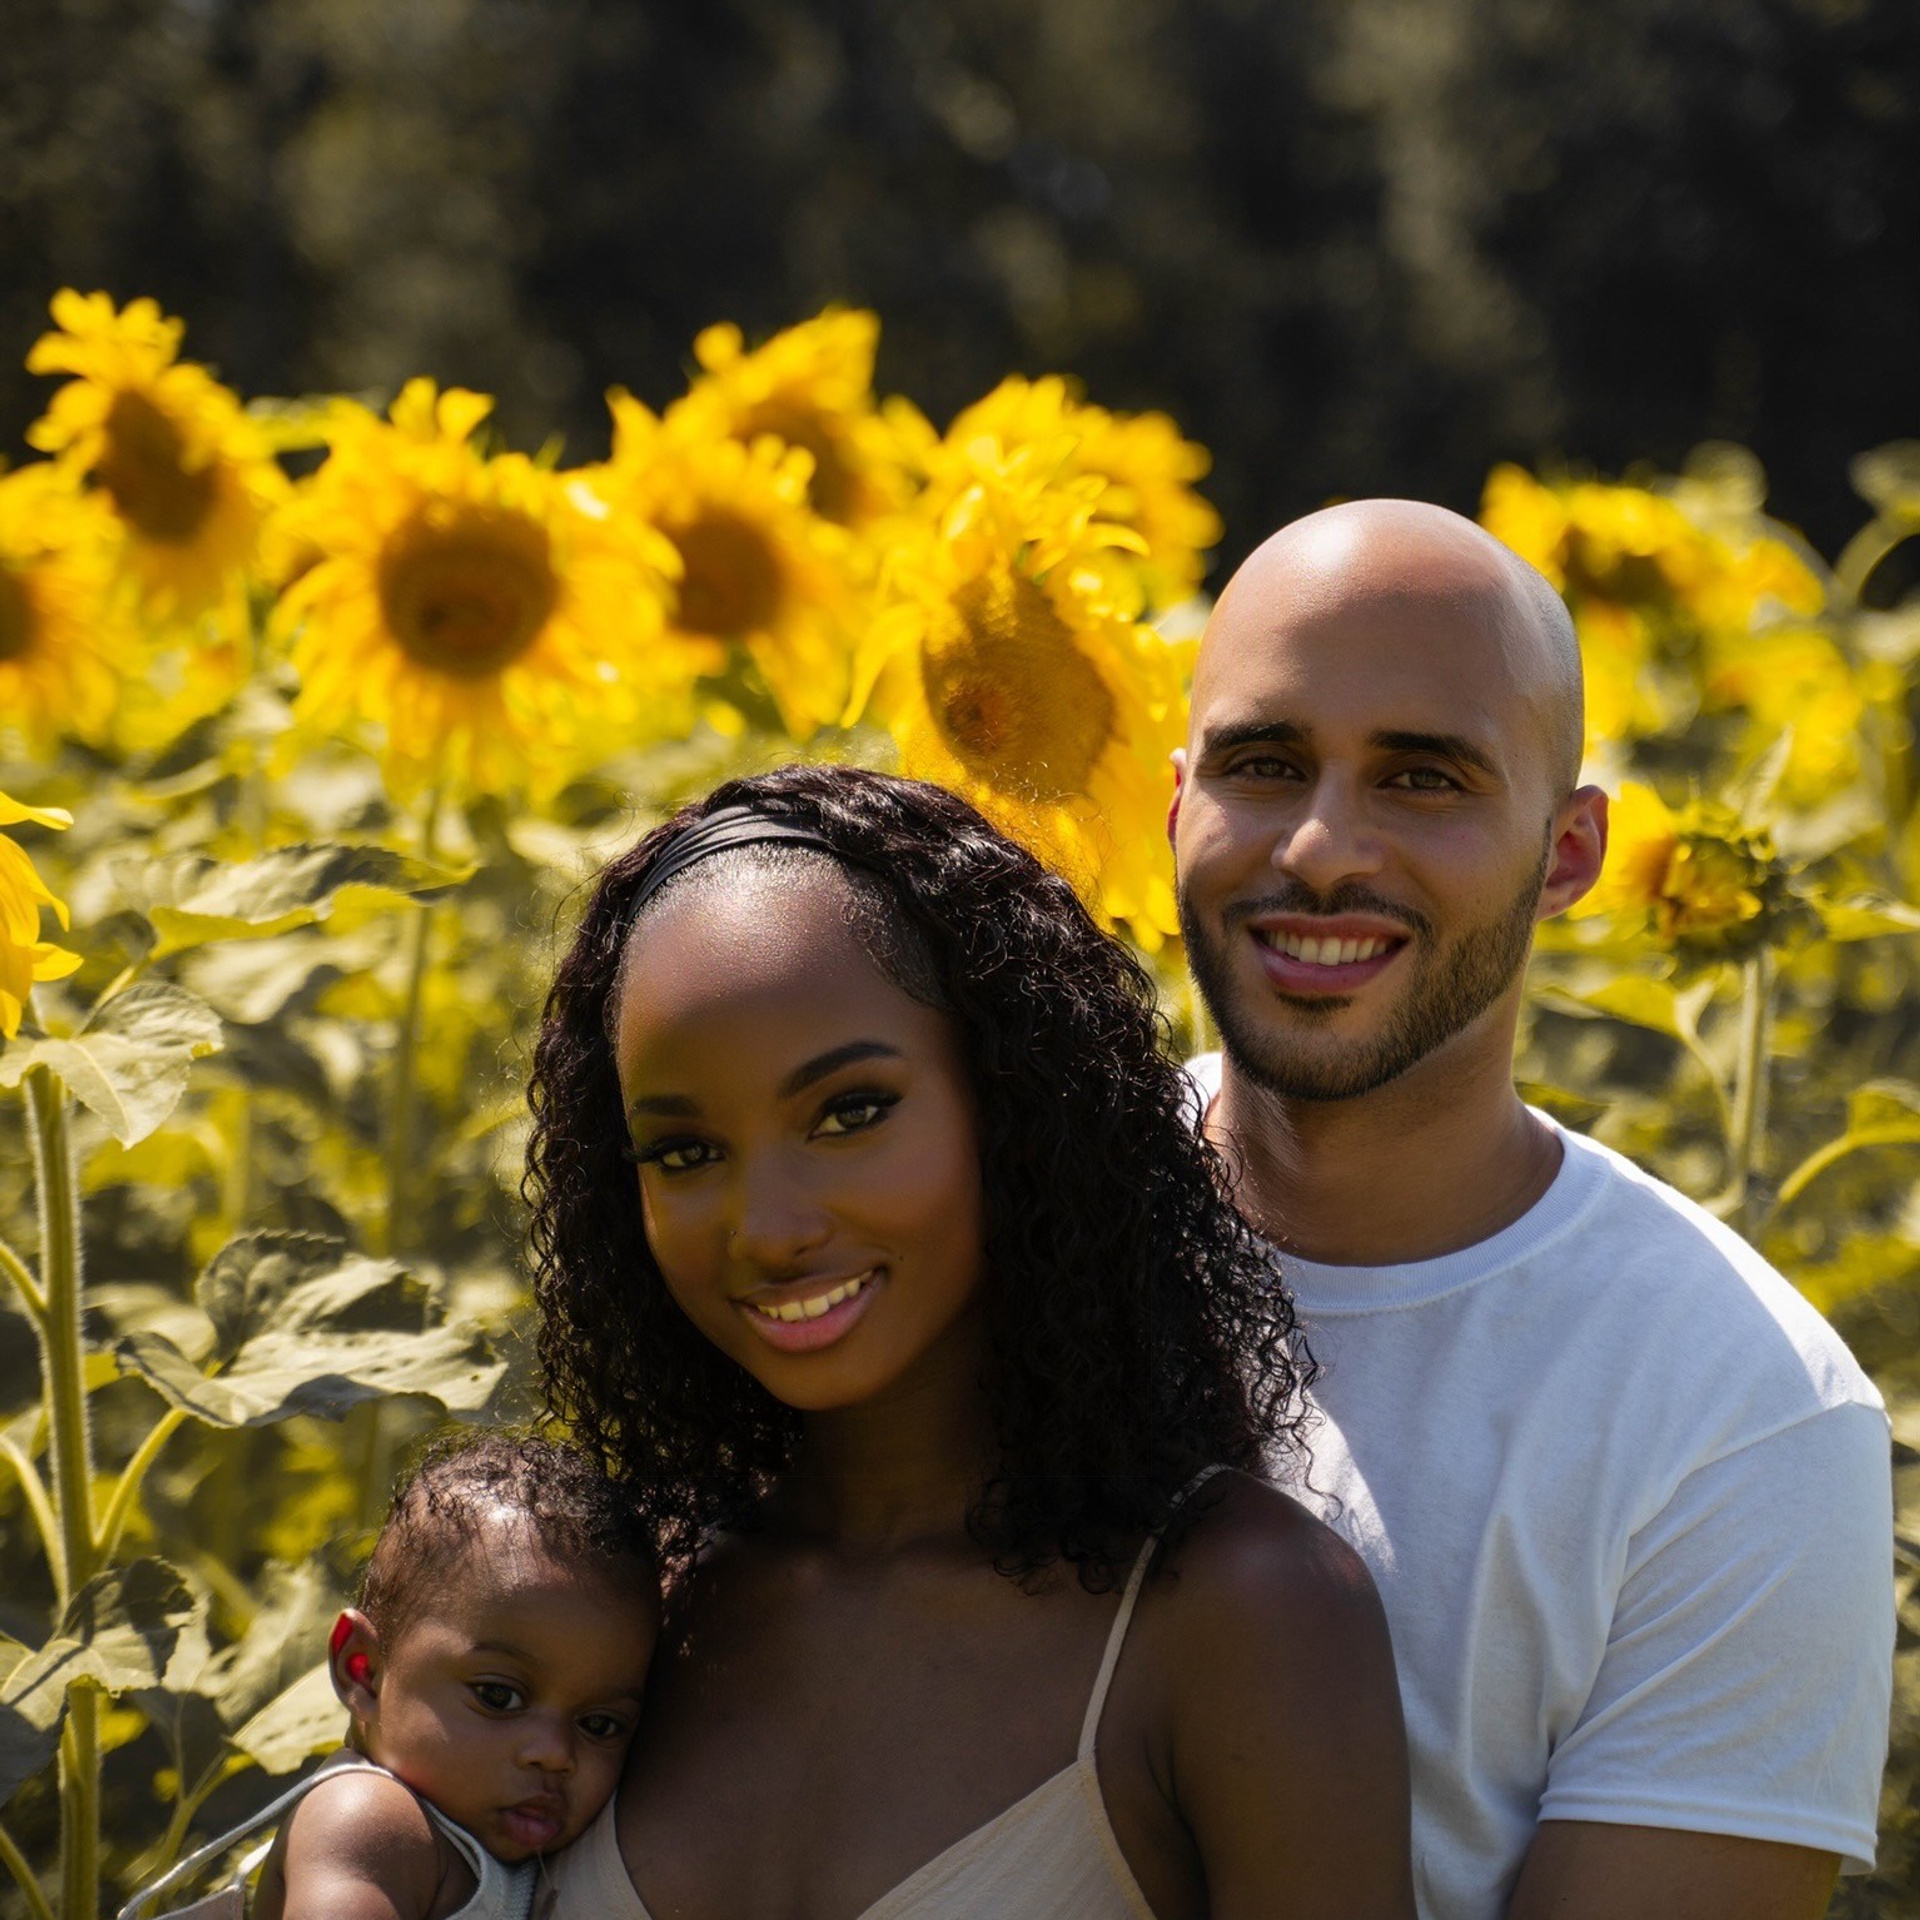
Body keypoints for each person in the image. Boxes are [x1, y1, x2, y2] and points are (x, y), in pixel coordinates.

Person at [1170, 496, 1894, 1920]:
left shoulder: (1740, 1410)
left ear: (1568, 855)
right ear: (1174, 799)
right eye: (1266, 764)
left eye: (1422, 779)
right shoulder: (981, 1216)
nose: (1320, 846)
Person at [525, 763, 1416, 1920]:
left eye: (850, 1113)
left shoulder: (1242, 1613)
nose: (770, 1228)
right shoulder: (619, 1599)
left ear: (1013, 1103)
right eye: (686, 1153)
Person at [124, 1432, 660, 1920]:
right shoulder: (364, 1817)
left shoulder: (457, 1837)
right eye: (499, 1696)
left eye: (600, 1725)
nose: (555, 1753)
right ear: (364, 1671)